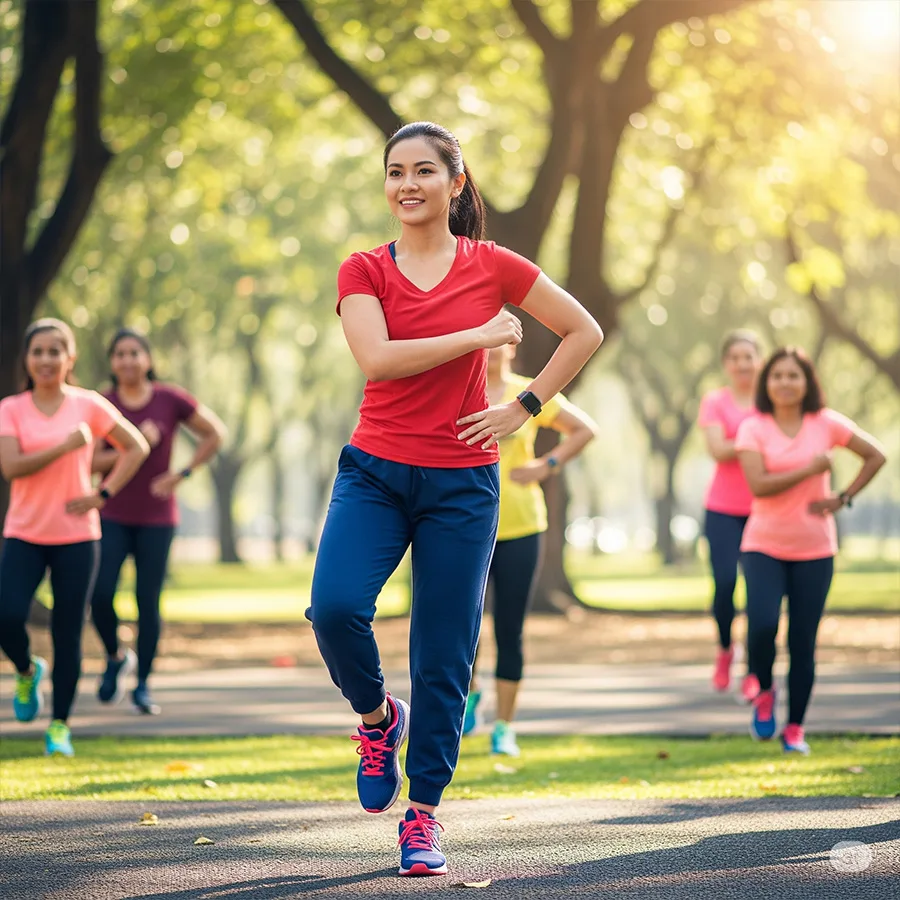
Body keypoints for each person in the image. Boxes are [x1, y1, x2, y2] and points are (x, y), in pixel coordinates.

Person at [307, 121, 603, 877]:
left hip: (463, 483)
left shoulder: (493, 264)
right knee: (335, 608)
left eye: (424, 172)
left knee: (445, 654)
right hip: (374, 471)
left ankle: (424, 815)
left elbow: (583, 330)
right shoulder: (364, 269)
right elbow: (377, 358)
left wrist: (526, 407)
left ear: (456, 182)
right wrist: (478, 336)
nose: (408, 185)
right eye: (395, 172)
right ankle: (377, 721)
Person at [0, 319, 148, 757]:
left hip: (77, 537)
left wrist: (102, 493)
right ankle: (27, 671)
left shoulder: (89, 404)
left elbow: (136, 446)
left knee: (68, 632)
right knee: (7, 615)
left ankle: (60, 726)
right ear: (27, 359)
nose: (46, 359)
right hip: (24, 532)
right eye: (38, 351)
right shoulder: (12, 408)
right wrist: (66, 447)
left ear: (70, 358)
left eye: (54, 351)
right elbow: (11, 467)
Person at [735, 347, 885, 755]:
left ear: (807, 382)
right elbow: (759, 486)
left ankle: (795, 728)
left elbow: (877, 455)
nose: (785, 383)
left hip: (815, 549)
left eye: (793, 376)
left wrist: (843, 497)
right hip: (763, 544)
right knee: (763, 625)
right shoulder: (754, 428)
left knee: (803, 641)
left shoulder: (827, 423)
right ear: (767, 383)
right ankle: (763, 689)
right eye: (777, 376)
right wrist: (811, 469)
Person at [463, 341, 598, 756]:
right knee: (464, 628)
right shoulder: (460, 391)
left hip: (522, 526)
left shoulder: (529, 392)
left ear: (513, 346)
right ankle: (469, 699)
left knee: (509, 629)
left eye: (499, 339)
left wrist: (547, 465)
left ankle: (504, 727)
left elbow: (585, 429)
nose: (490, 347)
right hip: (466, 526)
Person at [90, 328, 225, 715]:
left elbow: (215, 434)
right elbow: (88, 461)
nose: (128, 360)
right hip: (111, 512)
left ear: (147, 359)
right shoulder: (103, 403)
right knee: (99, 594)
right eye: (120, 354)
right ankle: (116, 656)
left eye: (135, 353)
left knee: (147, 602)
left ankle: (143, 685)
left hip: (156, 518)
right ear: (112, 362)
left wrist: (182, 473)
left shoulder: (169, 399)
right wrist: (131, 446)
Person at [697, 330, 762, 700]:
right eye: (735, 357)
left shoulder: (771, 403)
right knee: (724, 586)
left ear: (759, 361)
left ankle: (754, 670)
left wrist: (741, 440)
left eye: (748, 357)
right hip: (722, 510)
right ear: (726, 364)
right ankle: (725, 650)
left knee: (759, 595)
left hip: (763, 510)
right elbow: (718, 450)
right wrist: (757, 441)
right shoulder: (715, 401)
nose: (742, 364)